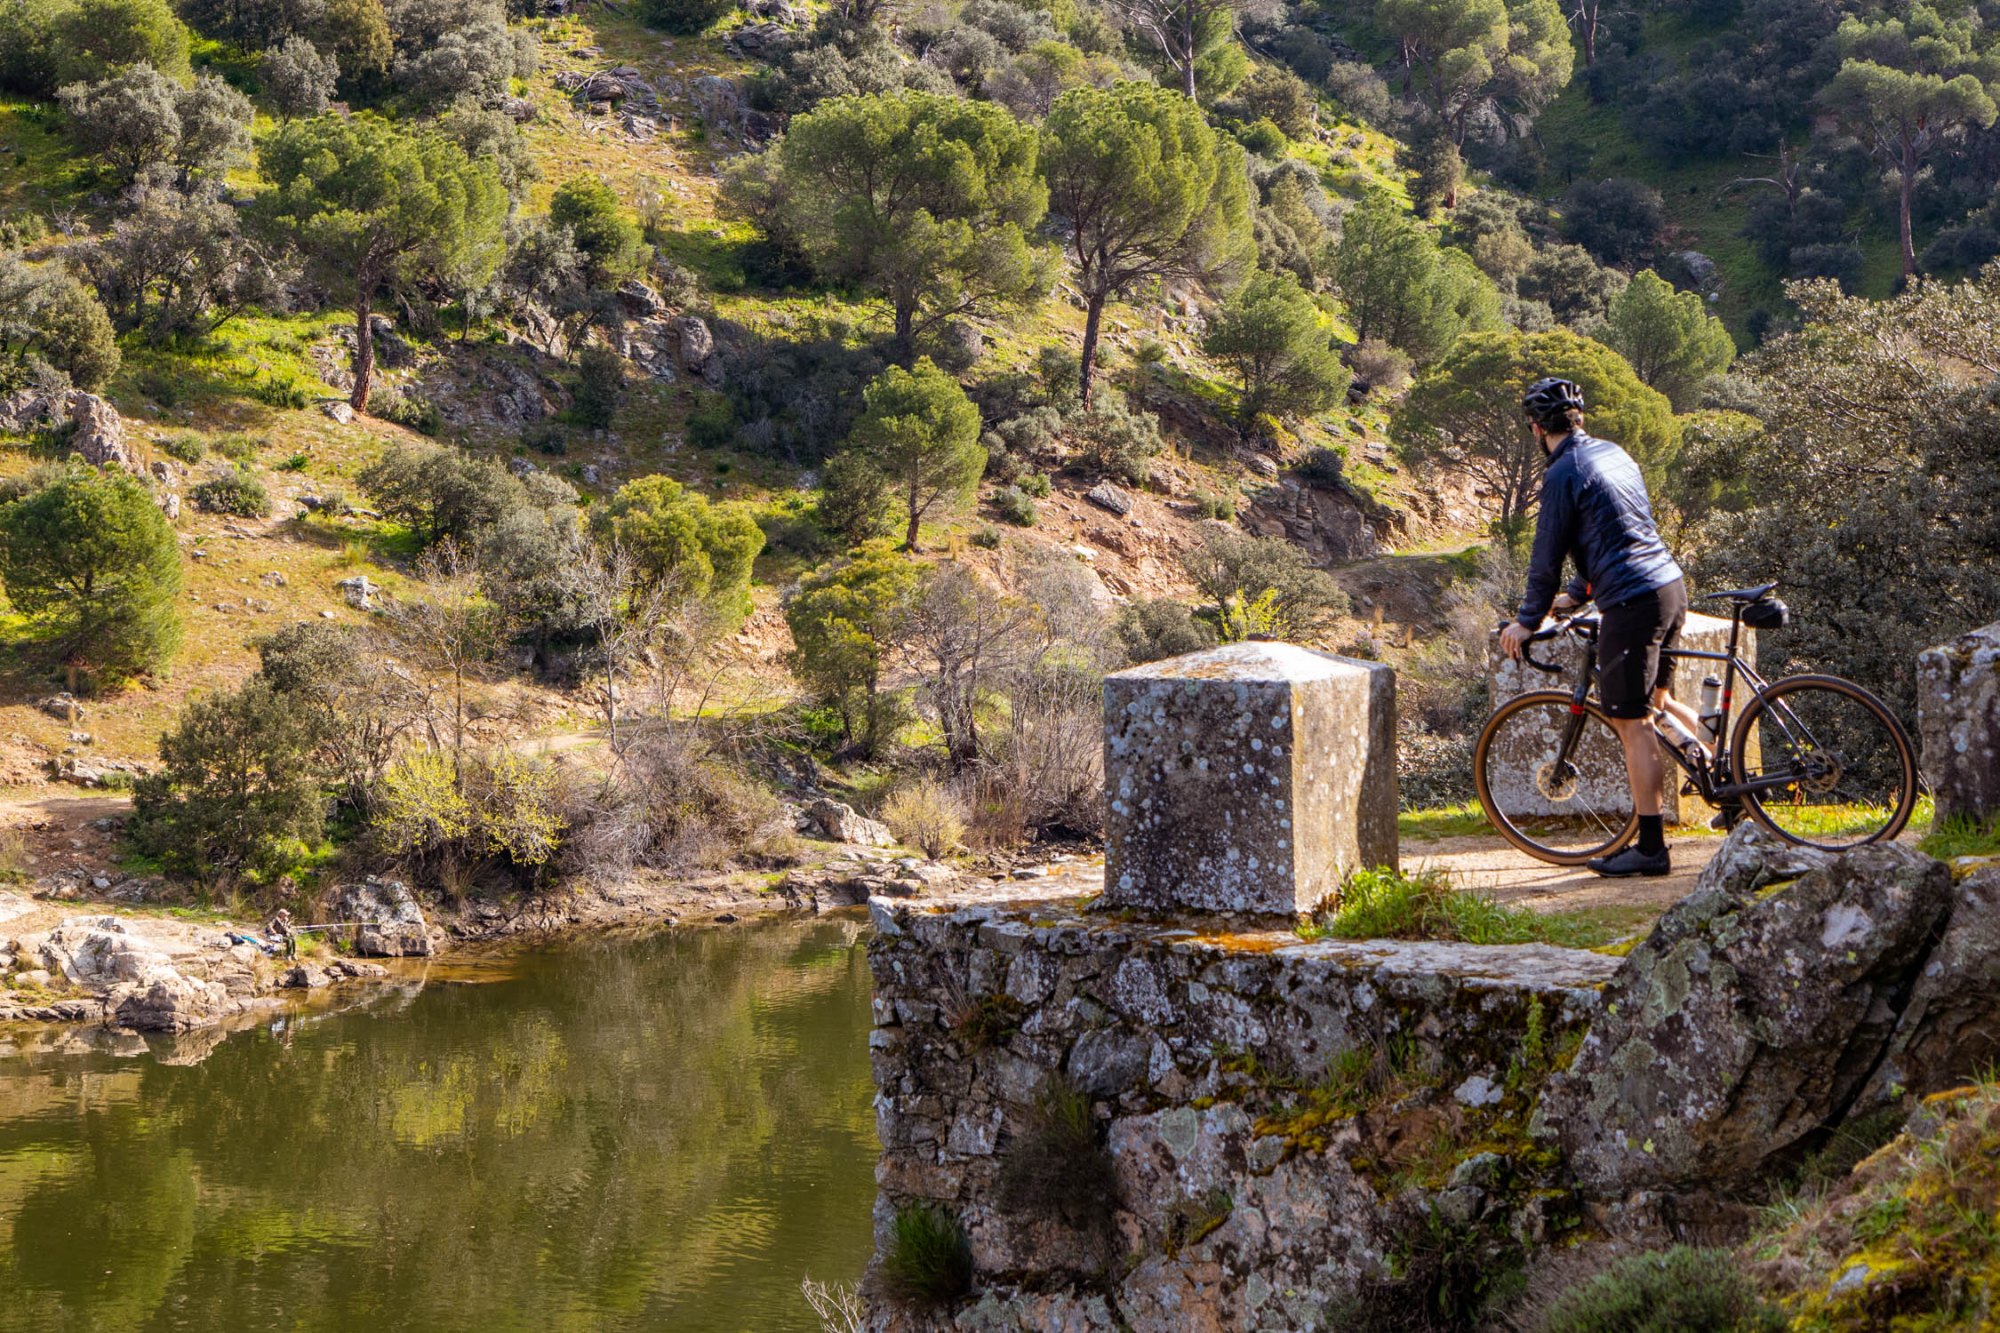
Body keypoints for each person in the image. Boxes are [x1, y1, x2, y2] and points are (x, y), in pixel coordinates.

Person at [1499, 377, 1704, 877]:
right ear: (1579, 418)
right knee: (1658, 703)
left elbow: (1545, 555)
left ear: (1536, 427)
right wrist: (1581, 590)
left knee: (1632, 724)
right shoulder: (1615, 453)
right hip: (1669, 586)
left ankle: (1651, 848)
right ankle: (1728, 783)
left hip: (1632, 601)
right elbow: (1618, 528)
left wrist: (1528, 621)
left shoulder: (1563, 472)